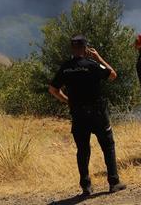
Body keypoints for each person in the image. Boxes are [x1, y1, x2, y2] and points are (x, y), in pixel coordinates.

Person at [48, 34, 126, 196]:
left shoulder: (66, 67)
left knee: (83, 150)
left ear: (73, 48)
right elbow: (112, 75)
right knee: (108, 145)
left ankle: (86, 186)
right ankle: (113, 182)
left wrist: (67, 100)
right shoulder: (92, 64)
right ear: (85, 49)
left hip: (78, 113)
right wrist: (99, 57)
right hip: (97, 112)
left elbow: (53, 89)